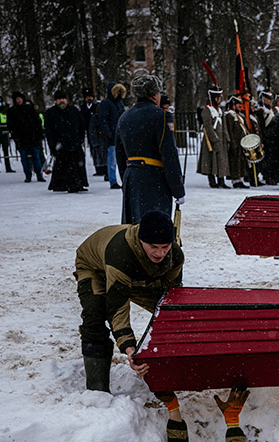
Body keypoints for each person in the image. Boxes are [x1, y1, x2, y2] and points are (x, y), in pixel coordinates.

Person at [74, 211, 184, 391]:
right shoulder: (121, 254)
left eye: (165, 246)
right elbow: (118, 307)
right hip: (95, 267)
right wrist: (129, 348)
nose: (160, 253)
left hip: (134, 274)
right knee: (95, 314)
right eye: (154, 246)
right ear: (141, 240)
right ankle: (97, 389)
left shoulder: (175, 256)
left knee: (168, 311)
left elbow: (171, 296)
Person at [115, 73, 185, 225]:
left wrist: (126, 179)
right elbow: (169, 154)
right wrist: (177, 188)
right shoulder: (162, 116)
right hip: (154, 180)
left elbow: (120, 155)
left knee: (133, 230)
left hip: (131, 178)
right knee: (155, 231)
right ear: (154, 95)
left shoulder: (124, 117)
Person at [44, 90, 89, 193]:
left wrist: (80, 140)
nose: (62, 101)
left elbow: (82, 126)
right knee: (62, 166)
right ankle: (63, 185)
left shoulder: (74, 110)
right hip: (60, 145)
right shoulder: (51, 113)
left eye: (63, 99)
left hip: (75, 144)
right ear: (56, 101)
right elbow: (48, 131)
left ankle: (79, 184)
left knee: (78, 165)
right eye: (59, 99)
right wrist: (52, 145)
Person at [8, 91, 45, 182]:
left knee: (36, 157)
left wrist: (39, 134)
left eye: (20, 98)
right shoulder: (12, 111)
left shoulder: (29, 109)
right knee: (24, 158)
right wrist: (15, 137)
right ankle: (28, 175)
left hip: (33, 137)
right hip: (21, 138)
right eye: (17, 99)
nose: (19, 100)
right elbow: (10, 125)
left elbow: (37, 122)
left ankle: (39, 174)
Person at [198, 87, 230, 188]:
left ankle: (221, 180)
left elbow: (224, 126)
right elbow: (208, 127)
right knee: (211, 161)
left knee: (221, 161)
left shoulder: (220, 110)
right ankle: (212, 181)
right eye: (218, 98)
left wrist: (227, 138)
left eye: (220, 98)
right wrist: (214, 139)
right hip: (211, 140)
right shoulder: (207, 110)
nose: (219, 100)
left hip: (221, 139)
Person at [98, 82, 126, 188]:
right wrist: (109, 133)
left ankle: (119, 180)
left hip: (119, 135)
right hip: (113, 136)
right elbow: (103, 119)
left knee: (119, 159)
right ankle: (113, 181)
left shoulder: (118, 103)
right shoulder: (107, 103)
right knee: (112, 160)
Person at [0, 96, 15, 173]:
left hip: (4, 133)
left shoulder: (5, 110)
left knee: (6, 151)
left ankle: (8, 167)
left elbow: (10, 121)